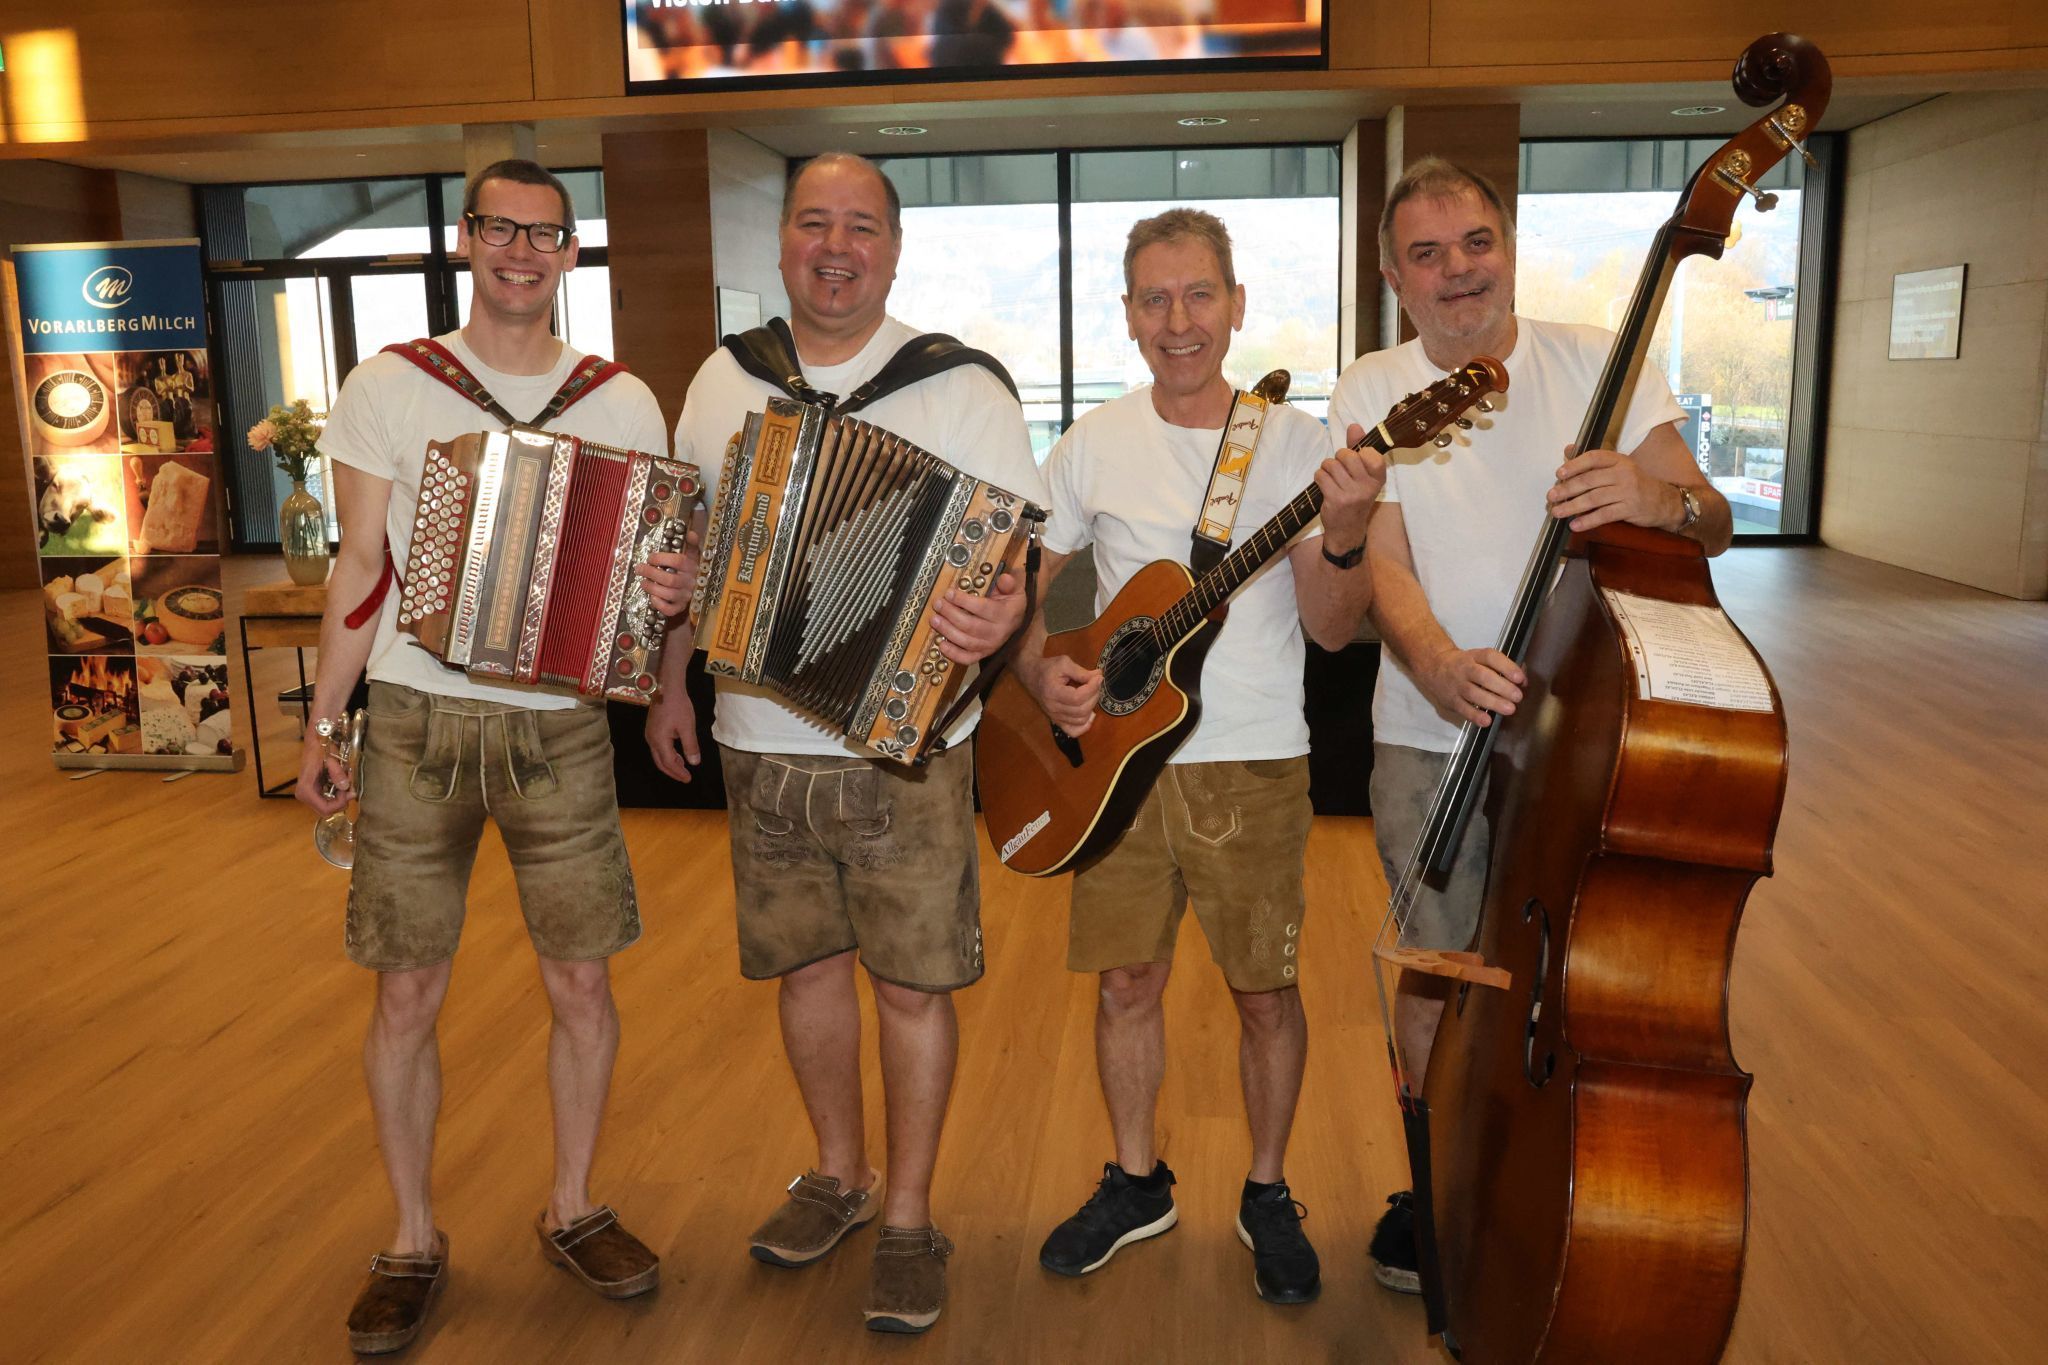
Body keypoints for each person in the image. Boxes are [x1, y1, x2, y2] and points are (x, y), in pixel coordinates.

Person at [645, 151, 1047, 1335]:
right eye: (813, 223)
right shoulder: (725, 378)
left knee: (911, 988)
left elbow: (1013, 560)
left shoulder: (960, 386)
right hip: (755, 734)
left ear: (893, 248)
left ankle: (912, 1217)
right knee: (806, 970)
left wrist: (1001, 609)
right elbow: (693, 547)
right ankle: (838, 1175)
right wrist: (673, 681)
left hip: (901, 748)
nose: (836, 246)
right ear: (778, 245)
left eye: (860, 226)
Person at [297, 159, 692, 1355]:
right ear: (468, 241)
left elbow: (653, 582)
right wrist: (324, 722)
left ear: (572, 253)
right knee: (407, 988)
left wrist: (666, 597)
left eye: (546, 235)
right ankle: (411, 1237)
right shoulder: (388, 384)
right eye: (500, 230)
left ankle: (572, 1206)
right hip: (414, 720)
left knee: (580, 980)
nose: (522, 252)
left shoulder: (620, 401)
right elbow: (360, 568)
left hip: (561, 724)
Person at [1328, 155, 1732, 1294]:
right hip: (1425, 726)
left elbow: (1710, 518)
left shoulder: (1598, 362)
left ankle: (1559, 1164)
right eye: (1425, 253)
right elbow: (1380, 565)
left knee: (1588, 967)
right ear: (1392, 275)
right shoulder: (1370, 385)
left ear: (1505, 244)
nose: (1456, 272)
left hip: (1589, 728)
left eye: (1474, 244)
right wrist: (1438, 662)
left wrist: (1654, 501)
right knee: (1436, 965)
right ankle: (1430, 1179)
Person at [1017, 208, 1384, 1305]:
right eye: (1153, 299)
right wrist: (1044, 672)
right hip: (1120, 768)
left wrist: (1348, 532)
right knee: (1126, 982)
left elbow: (1328, 627)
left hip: (1253, 757)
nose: (1177, 321)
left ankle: (1266, 1190)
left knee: (1263, 990)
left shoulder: (1297, 443)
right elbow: (1030, 590)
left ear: (1232, 306)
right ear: (1127, 316)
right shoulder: (1091, 441)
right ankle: (1136, 1180)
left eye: (1197, 296)